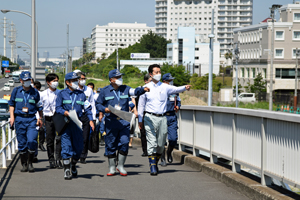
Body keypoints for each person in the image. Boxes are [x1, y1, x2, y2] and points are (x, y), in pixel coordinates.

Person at [138, 64, 191, 176]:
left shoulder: (165, 87)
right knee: (152, 142)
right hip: (149, 117)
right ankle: (152, 166)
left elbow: (176, 89)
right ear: (151, 74)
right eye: (156, 72)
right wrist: (140, 120)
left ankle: (155, 162)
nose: (159, 74)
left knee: (161, 144)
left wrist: (184, 87)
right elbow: (141, 106)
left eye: (159, 72)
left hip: (163, 118)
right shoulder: (146, 88)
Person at [96, 69, 149, 176]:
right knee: (111, 144)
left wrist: (143, 89)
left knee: (124, 143)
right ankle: (112, 167)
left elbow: (135, 92)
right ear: (112, 80)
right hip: (111, 121)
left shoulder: (126, 88)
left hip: (124, 121)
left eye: (121, 77)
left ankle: (121, 166)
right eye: (118, 77)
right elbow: (98, 104)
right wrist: (104, 109)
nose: (120, 79)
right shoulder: (105, 91)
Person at [56, 72, 94, 180]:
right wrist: (65, 112)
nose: (76, 82)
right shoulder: (62, 94)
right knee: (66, 147)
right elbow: (58, 108)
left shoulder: (81, 94)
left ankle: (73, 164)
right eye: (73, 80)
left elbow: (87, 108)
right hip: (66, 124)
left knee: (78, 149)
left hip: (78, 124)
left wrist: (91, 120)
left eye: (76, 80)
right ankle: (67, 170)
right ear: (67, 82)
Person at [8, 71, 43, 173]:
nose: (28, 82)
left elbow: (39, 106)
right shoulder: (16, 91)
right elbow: (11, 105)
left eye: (29, 80)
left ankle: (30, 162)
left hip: (31, 119)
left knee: (32, 140)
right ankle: (24, 164)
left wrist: (40, 118)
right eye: (25, 80)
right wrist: (12, 117)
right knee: (22, 142)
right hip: (19, 119)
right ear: (21, 80)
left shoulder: (35, 92)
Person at [40, 73, 63, 169]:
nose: (56, 83)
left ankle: (58, 159)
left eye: (57, 81)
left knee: (59, 139)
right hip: (48, 118)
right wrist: (41, 119)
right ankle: (51, 159)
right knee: (50, 140)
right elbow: (40, 107)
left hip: (58, 118)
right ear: (48, 83)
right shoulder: (43, 94)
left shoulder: (60, 93)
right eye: (54, 81)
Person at [160, 73, 181, 167]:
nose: (171, 82)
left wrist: (178, 106)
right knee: (162, 140)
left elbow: (178, 101)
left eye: (172, 80)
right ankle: (162, 158)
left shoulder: (175, 91)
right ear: (164, 82)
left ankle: (169, 152)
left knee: (173, 139)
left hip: (172, 116)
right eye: (169, 81)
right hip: (162, 116)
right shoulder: (159, 90)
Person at [77, 72, 96, 164]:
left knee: (85, 137)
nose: (83, 80)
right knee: (76, 136)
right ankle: (75, 154)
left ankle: (83, 155)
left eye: (84, 78)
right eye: (81, 79)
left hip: (86, 115)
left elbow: (92, 103)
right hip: (76, 115)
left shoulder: (89, 90)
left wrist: (93, 118)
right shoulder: (74, 89)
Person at [137, 74, 152, 157]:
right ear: (145, 81)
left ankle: (151, 149)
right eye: (150, 81)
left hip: (151, 113)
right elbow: (139, 104)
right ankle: (145, 150)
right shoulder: (141, 90)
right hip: (143, 113)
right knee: (143, 132)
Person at [33, 81, 44, 163]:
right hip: (25, 119)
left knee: (33, 138)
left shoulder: (39, 95)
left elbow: (40, 108)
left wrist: (40, 118)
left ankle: (34, 155)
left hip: (36, 119)